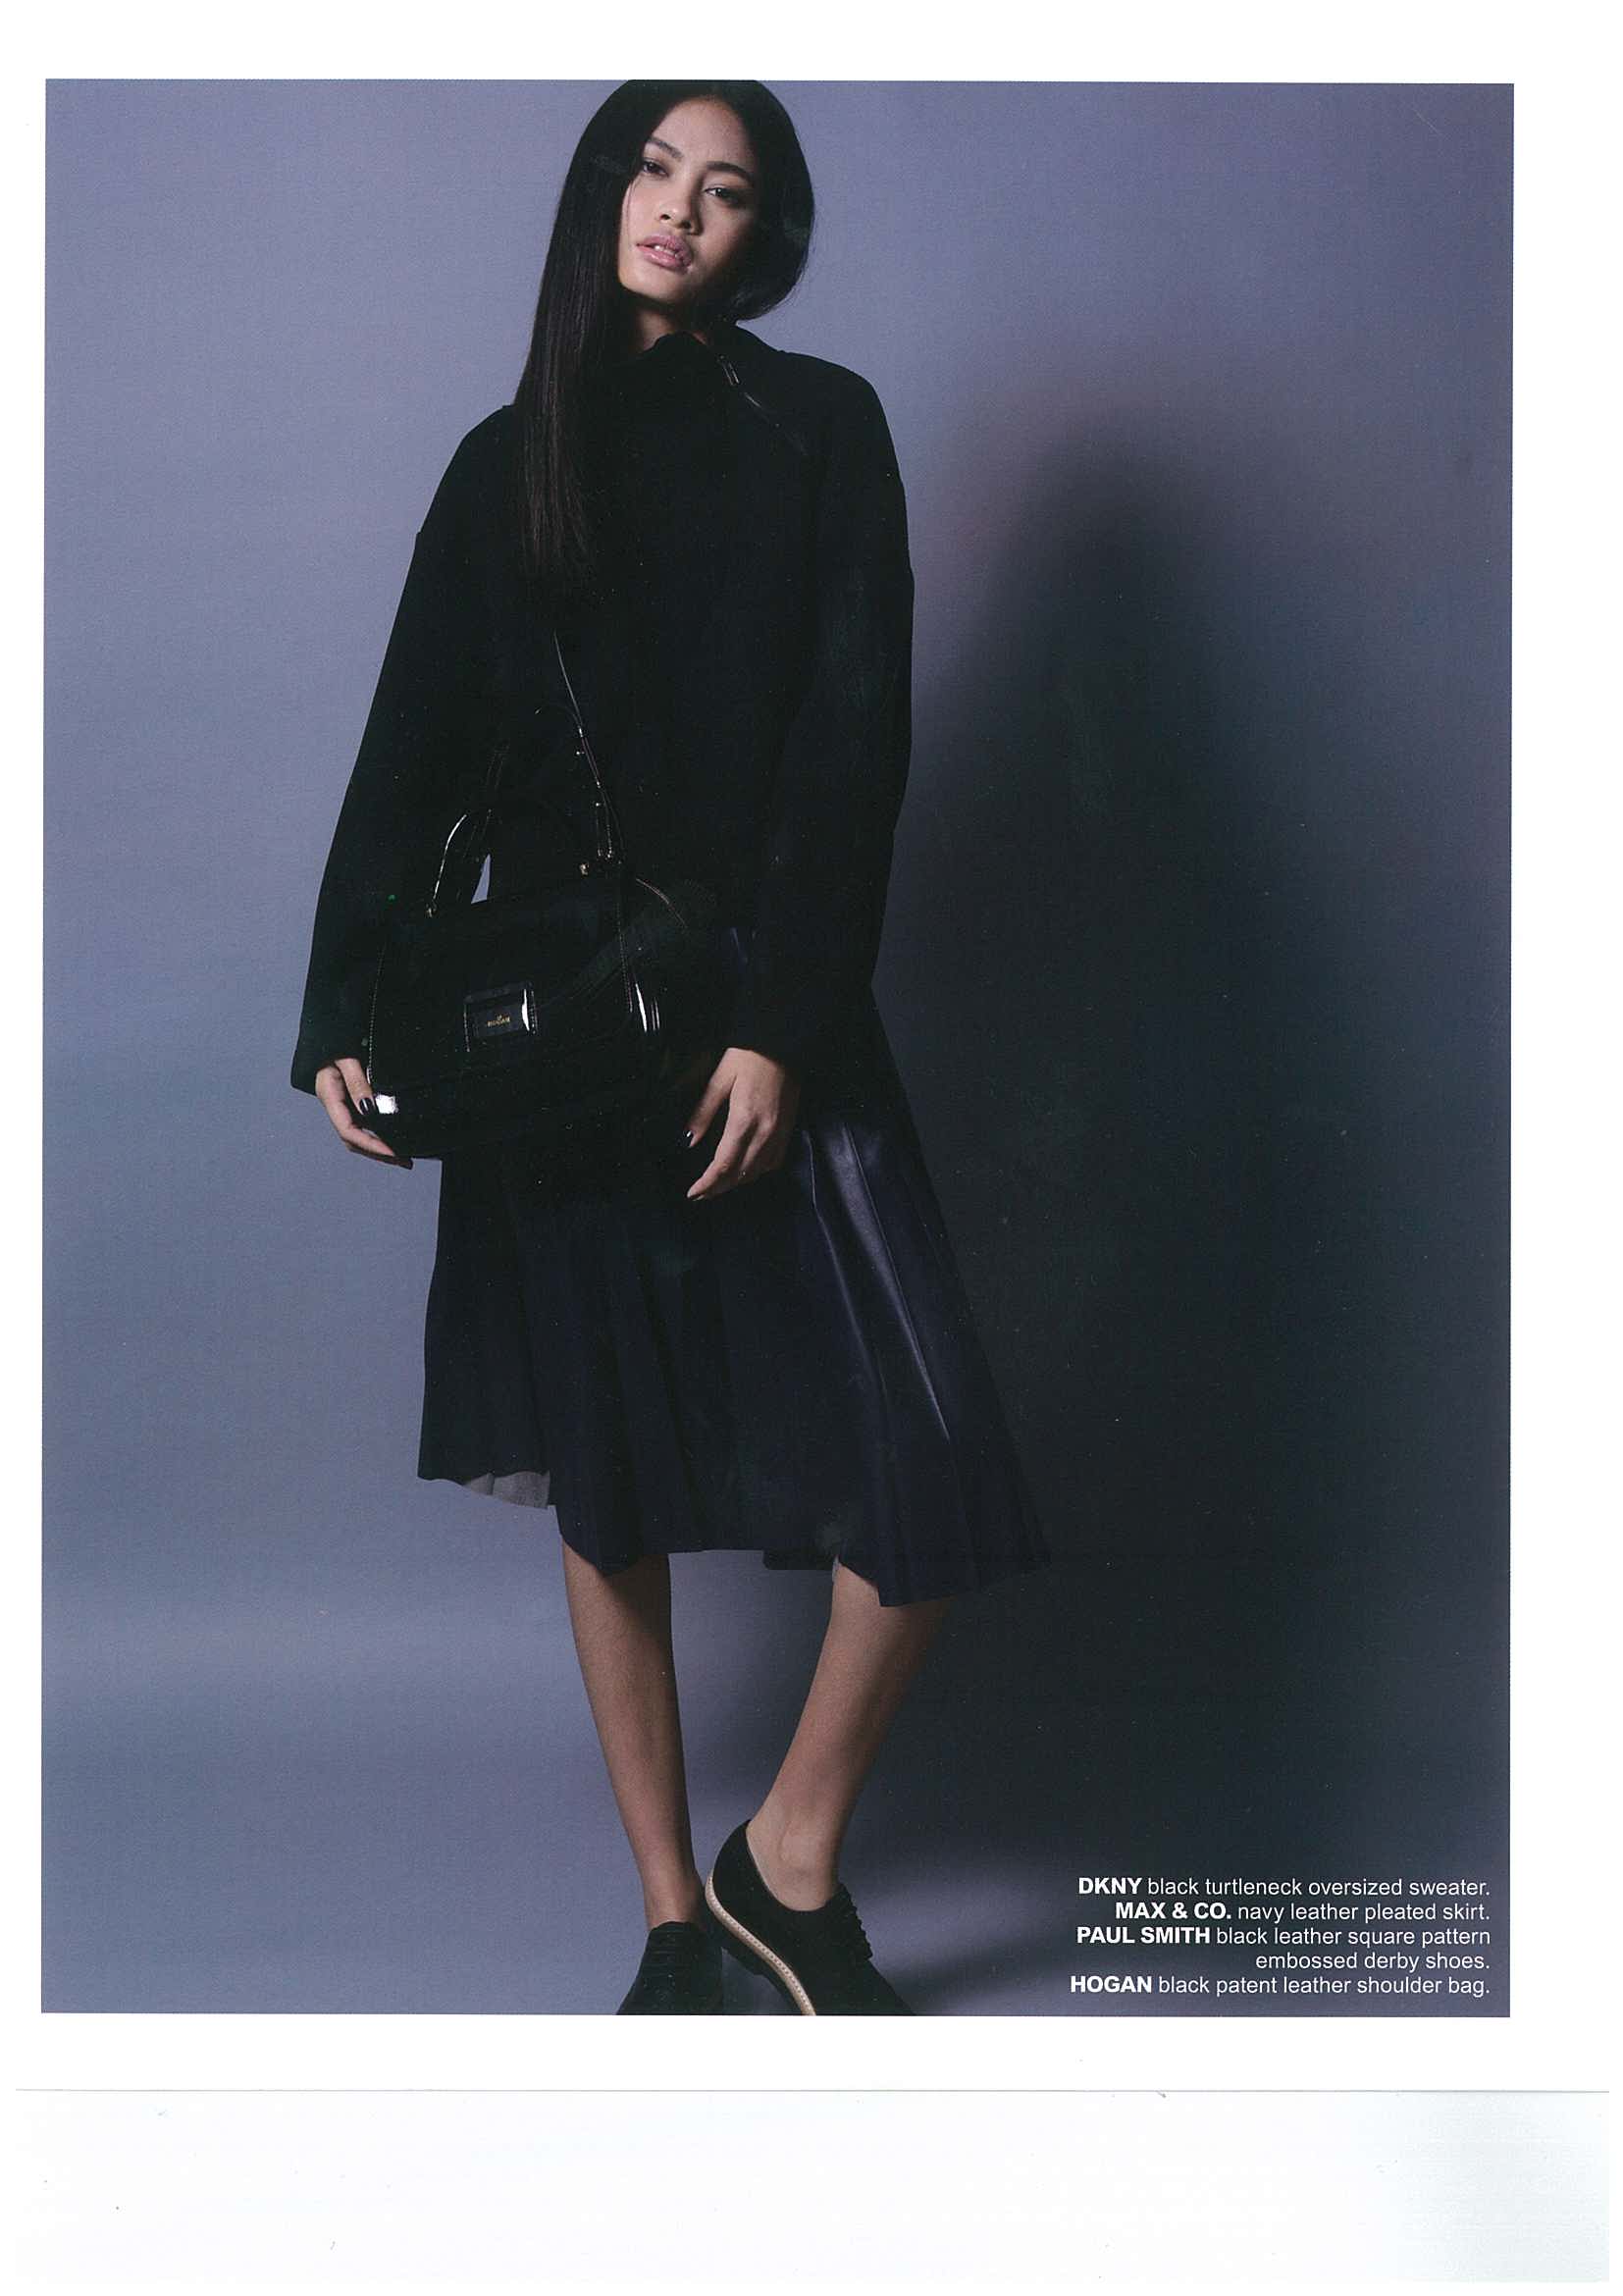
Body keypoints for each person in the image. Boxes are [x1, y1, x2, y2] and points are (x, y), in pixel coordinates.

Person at [290, 80, 1052, 2015]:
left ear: (759, 236)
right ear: (600, 190)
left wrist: (784, 1026)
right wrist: (341, 1013)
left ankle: (780, 1865)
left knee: (928, 1447)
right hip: (553, 1040)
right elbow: (411, 751)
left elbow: (853, 746)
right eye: (651, 170)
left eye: (723, 193)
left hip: (759, 1008)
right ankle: (666, 1925)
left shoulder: (819, 427)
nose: (677, 214)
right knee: (605, 1472)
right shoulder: (505, 462)